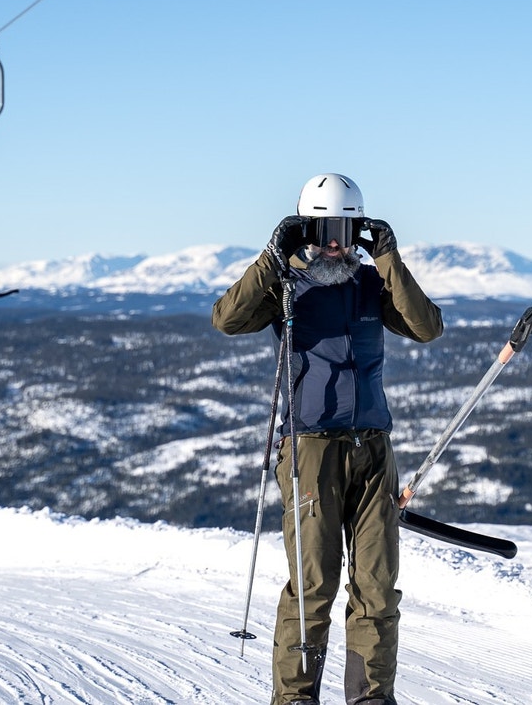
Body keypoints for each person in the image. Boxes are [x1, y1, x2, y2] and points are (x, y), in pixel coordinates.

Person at [213, 173, 443, 705]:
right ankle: (295, 698)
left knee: (377, 589)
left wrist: (388, 260)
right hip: (309, 451)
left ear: (360, 228)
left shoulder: (371, 283)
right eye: (323, 228)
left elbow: (427, 326)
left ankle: (370, 698)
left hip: (373, 449)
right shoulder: (287, 285)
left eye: (346, 228)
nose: (335, 242)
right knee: (313, 588)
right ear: (305, 229)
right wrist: (272, 258)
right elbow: (226, 319)